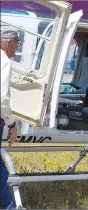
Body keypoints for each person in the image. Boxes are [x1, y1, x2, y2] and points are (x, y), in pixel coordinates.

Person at [1, 25, 20, 209]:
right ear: (8, 43)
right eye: (17, 43)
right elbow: (2, 99)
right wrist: (12, 124)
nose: (17, 48)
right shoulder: (5, 62)